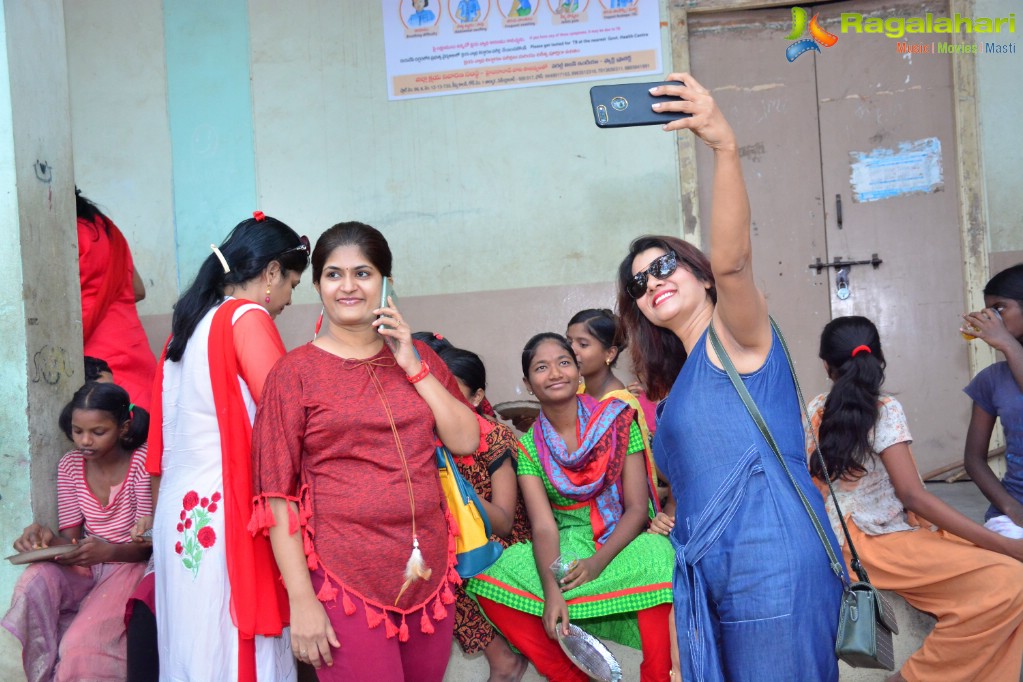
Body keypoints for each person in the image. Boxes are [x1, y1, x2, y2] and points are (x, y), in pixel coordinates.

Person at [614, 73, 843, 681]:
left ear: (703, 276)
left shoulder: (738, 337)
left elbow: (735, 260)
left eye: (664, 266)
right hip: (710, 563)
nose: (652, 282)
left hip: (770, 555)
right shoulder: (680, 380)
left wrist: (724, 147)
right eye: (638, 282)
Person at [250, 221, 480, 681]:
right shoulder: (293, 374)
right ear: (317, 285)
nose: (349, 286)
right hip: (343, 579)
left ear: (386, 281)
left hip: (429, 574)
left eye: (363, 272)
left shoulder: (420, 358)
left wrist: (413, 366)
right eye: (334, 275)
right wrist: (302, 599)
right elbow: (276, 496)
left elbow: (466, 440)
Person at [809, 315, 1023, 682]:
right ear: (879, 359)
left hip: (844, 541)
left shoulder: (816, 408)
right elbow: (914, 495)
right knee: (1012, 579)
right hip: (877, 545)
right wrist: (1005, 545)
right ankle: (912, 678)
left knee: (996, 578)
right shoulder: (884, 408)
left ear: (827, 365)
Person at [145, 211, 309, 681]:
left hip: (178, 513)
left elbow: (160, 449)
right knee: (234, 646)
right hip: (227, 511)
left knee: (193, 645)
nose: (287, 300)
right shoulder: (246, 316)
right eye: (292, 285)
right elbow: (287, 419)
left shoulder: (184, 330)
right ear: (271, 273)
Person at [467, 333, 673, 682]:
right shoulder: (529, 447)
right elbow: (544, 527)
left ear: (579, 372)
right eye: (541, 367)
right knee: (491, 573)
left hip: (622, 536)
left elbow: (638, 508)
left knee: (660, 557)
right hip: (568, 542)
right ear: (528, 384)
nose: (555, 373)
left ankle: (658, 676)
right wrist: (551, 594)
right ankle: (569, 676)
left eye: (564, 363)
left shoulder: (619, 420)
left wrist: (596, 562)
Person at [2, 382, 152, 682]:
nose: (85, 441)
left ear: (123, 428)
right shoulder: (70, 465)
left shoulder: (141, 462)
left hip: (128, 566)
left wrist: (109, 551)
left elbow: (148, 545)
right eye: (77, 431)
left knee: (82, 647)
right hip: (86, 565)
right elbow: (70, 539)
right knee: (33, 580)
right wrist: (42, 540)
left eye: (98, 432)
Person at [436, 346, 531, 681]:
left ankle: (502, 659)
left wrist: (461, 495)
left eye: (451, 394)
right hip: (460, 533)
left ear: (476, 397)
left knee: (450, 565)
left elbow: (505, 523)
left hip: (501, 539)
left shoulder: (494, 437)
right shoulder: (432, 441)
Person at [76, 190, 157, 409]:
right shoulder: (107, 228)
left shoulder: (72, 234)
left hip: (97, 360)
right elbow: (138, 290)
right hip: (134, 350)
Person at [962, 264, 1023, 535]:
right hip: (1015, 510)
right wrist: (1010, 508)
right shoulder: (992, 379)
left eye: (1000, 309)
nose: (992, 320)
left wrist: (1008, 344)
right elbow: (974, 459)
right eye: (989, 311)